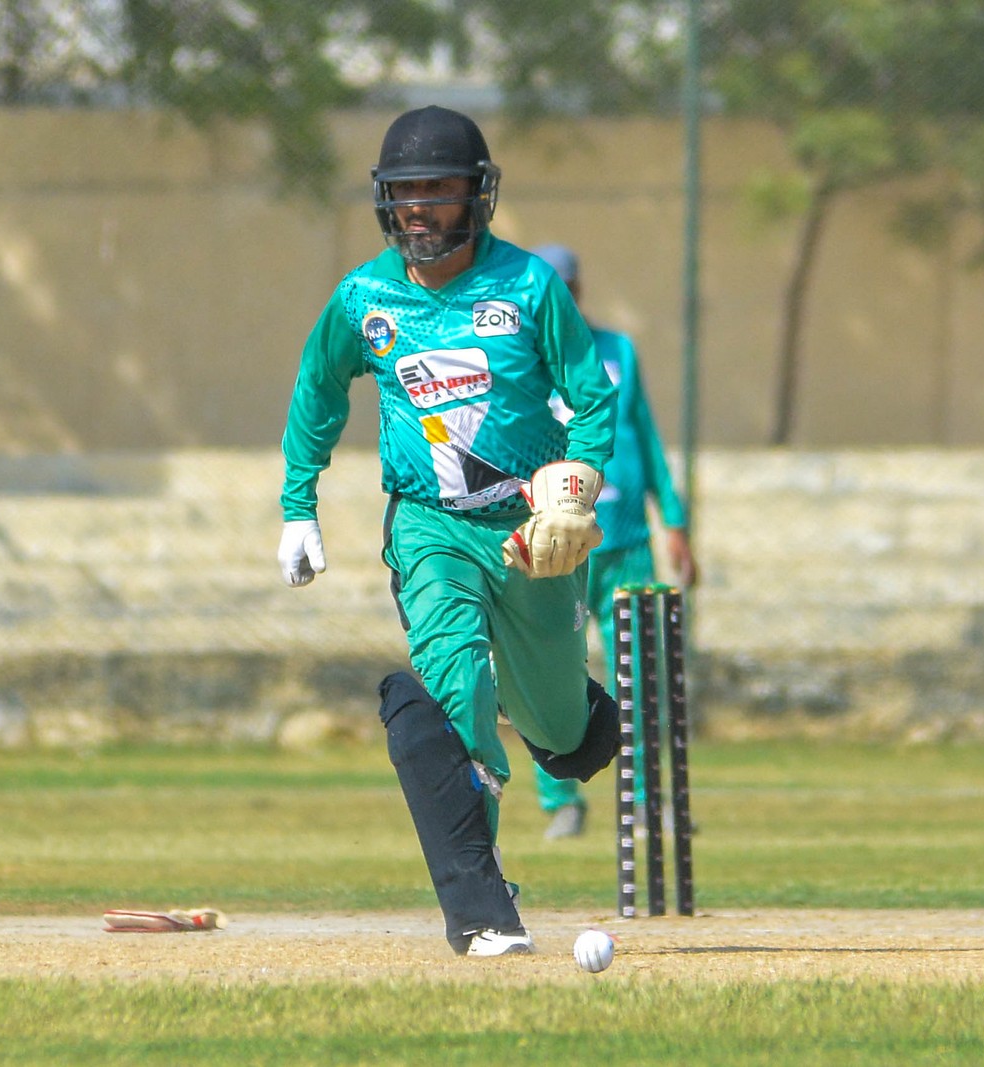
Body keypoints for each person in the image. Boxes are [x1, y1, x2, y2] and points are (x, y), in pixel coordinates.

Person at [276, 106, 623, 957]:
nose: (421, 208)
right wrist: (297, 504)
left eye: (439, 189)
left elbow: (592, 397)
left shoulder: (529, 286)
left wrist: (576, 489)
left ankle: (555, 708)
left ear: (478, 196)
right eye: (407, 193)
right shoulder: (363, 298)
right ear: (385, 202)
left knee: (560, 732)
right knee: (454, 682)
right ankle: (481, 895)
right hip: (430, 527)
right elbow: (317, 393)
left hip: (530, 538)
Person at [526, 244, 700, 841]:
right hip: (555, 549)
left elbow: (643, 435)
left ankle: (647, 801)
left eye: (568, 287)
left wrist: (673, 520)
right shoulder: (519, 355)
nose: (561, 299)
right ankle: (562, 802)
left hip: (626, 542)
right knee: (549, 677)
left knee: (642, 676)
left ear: (578, 288)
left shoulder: (616, 350)